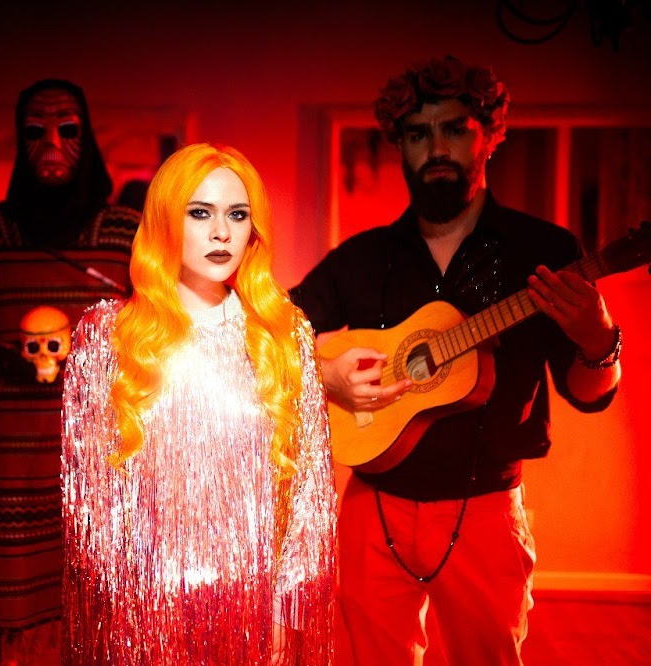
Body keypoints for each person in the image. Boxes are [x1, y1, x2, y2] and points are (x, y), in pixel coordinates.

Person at [290, 55, 622, 665]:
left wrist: (599, 340)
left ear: (490, 135)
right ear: (400, 145)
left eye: (454, 129)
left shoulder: (543, 252)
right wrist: (324, 372)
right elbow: (275, 331)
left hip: (487, 507)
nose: (436, 148)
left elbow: (587, 393)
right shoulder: (361, 258)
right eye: (418, 134)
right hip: (372, 503)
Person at [61, 143, 337, 664]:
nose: (222, 233)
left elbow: (309, 494)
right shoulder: (108, 338)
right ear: (166, 219)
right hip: (143, 616)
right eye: (201, 213)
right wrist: (130, 614)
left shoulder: (282, 335)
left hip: (253, 611)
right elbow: (91, 504)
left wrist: (288, 610)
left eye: (238, 215)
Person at [0, 78, 141, 664]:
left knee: (104, 626)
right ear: (19, 140)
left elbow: (158, 345)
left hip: (105, 475)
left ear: (87, 137)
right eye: (35, 130)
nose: (51, 143)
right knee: (11, 631)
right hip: (10, 476)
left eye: (66, 129)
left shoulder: (126, 237)